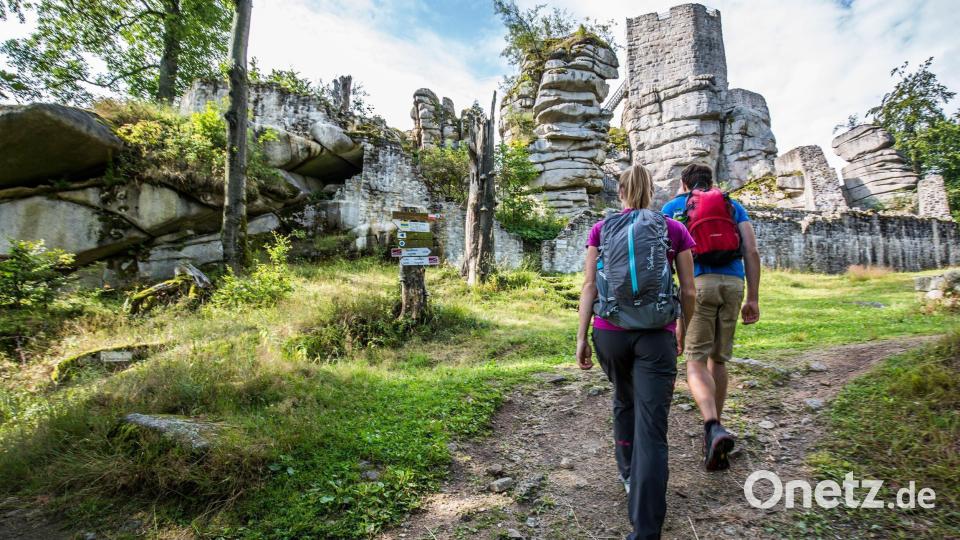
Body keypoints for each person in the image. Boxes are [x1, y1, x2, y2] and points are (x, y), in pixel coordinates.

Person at [576, 164, 697, 540]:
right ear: (652, 192)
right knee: (652, 425)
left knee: (624, 398)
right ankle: (645, 528)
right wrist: (683, 329)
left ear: (621, 193)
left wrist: (581, 337)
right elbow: (689, 290)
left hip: (609, 333)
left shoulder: (601, 229)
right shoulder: (673, 229)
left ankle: (628, 472)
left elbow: (589, 286)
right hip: (657, 336)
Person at [661, 163, 761, 472]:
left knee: (694, 360)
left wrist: (673, 311)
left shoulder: (673, 208)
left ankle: (712, 426)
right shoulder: (732, 205)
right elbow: (751, 251)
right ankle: (715, 432)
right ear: (711, 182)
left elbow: (664, 257)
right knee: (718, 359)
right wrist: (753, 297)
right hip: (733, 284)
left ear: (684, 183)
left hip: (699, 285)